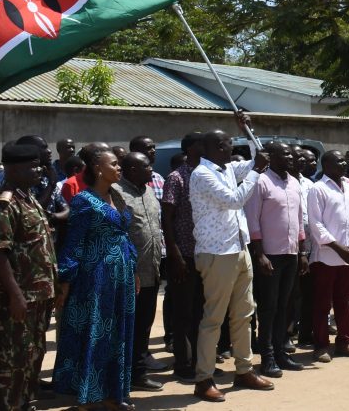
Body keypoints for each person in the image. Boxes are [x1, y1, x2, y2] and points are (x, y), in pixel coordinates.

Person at [190, 125, 276, 403]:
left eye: (231, 142)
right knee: (214, 318)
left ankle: (244, 370)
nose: (231, 147)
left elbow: (256, 159)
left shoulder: (227, 168)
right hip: (217, 253)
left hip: (239, 248)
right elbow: (234, 200)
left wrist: (247, 130)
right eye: (227, 143)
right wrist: (256, 169)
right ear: (214, 148)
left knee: (244, 313)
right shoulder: (202, 174)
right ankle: (203, 379)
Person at [52, 149, 136, 409]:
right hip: (95, 277)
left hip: (121, 275)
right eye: (114, 164)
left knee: (118, 334)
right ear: (98, 168)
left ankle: (113, 394)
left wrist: (133, 269)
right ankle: (86, 398)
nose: (119, 168)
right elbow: (74, 242)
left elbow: (125, 235)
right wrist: (65, 279)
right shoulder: (83, 201)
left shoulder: (117, 196)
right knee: (95, 333)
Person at [0, 144, 58, 411]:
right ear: (13, 169)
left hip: (39, 294)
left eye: (39, 165)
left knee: (32, 355)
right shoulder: (3, 204)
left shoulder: (29, 198)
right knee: (10, 359)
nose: (39, 171)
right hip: (18, 297)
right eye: (32, 166)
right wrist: (15, 294)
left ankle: (23, 403)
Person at [245, 142, 307, 377]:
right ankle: (267, 357)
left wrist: (302, 253)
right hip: (269, 255)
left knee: (284, 306)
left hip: (291, 253)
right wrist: (260, 254)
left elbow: (299, 221)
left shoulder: (295, 183)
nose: (290, 158)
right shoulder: (261, 181)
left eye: (291, 154)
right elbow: (252, 221)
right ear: (271, 157)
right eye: (285, 154)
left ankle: (281, 353)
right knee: (268, 307)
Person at [111, 152, 166, 392]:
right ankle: (129, 374)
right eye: (146, 166)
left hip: (151, 269)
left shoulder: (149, 191)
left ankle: (138, 371)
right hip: (129, 273)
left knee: (144, 324)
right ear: (132, 170)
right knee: (128, 326)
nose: (151, 169)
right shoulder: (116, 192)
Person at [307, 150, 349, 363]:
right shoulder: (318, 189)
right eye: (339, 161)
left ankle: (344, 342)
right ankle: (321, 345)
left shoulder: (348, 186)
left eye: (345, 160)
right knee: (323, 303)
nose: (344, 163)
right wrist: (337, 246)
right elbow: (315, 224)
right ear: (326, 165)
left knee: (343, 301)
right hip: (326, 255)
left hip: (348, 253)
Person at [162, 132, 206, 381]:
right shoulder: (177, 177)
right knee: (184, 312)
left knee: (202, 311)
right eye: (201, 143)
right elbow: (167, 217)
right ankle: (183, 363)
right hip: (184, 254)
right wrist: (174, 252)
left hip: (205, 253)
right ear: (190, 148)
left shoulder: (209, 175)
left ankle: (201, 362)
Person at [288, 145, 317, 347]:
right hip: (288, 248)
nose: (303, 162)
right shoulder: (280, 182)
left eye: (303, 158)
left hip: (311, 247)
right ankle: (287, 334)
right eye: (297, 157)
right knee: (290, 294)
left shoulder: (309, 184)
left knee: (309, 293)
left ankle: (306, 333)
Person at [129, 136, 165, 201]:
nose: (153, 151)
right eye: (148, 148)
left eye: (154, 147)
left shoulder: (159, 178)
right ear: (135, 151)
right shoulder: (123, 181)